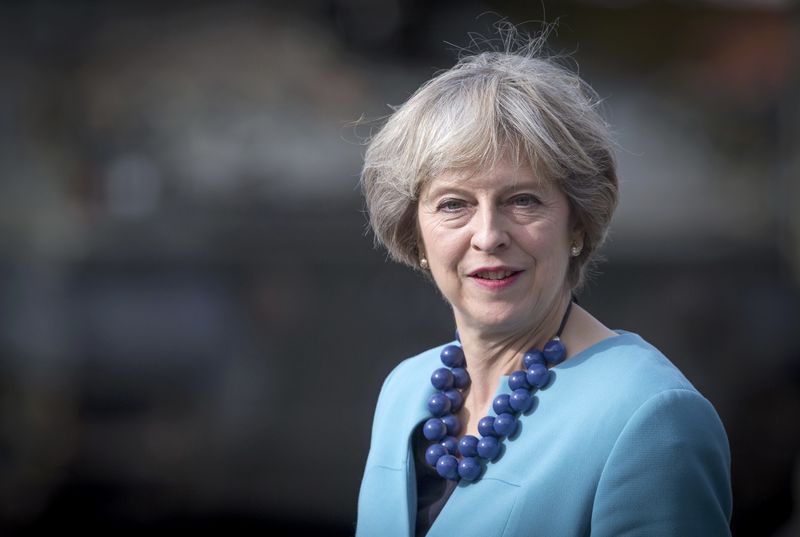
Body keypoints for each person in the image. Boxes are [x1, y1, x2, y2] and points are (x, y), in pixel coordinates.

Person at [355, 36, 732, 537]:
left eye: (523, 200)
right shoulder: (406, 390)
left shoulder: (652, 418)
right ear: (414, 231)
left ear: (576, 224)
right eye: (453, 204)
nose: (488, 235)